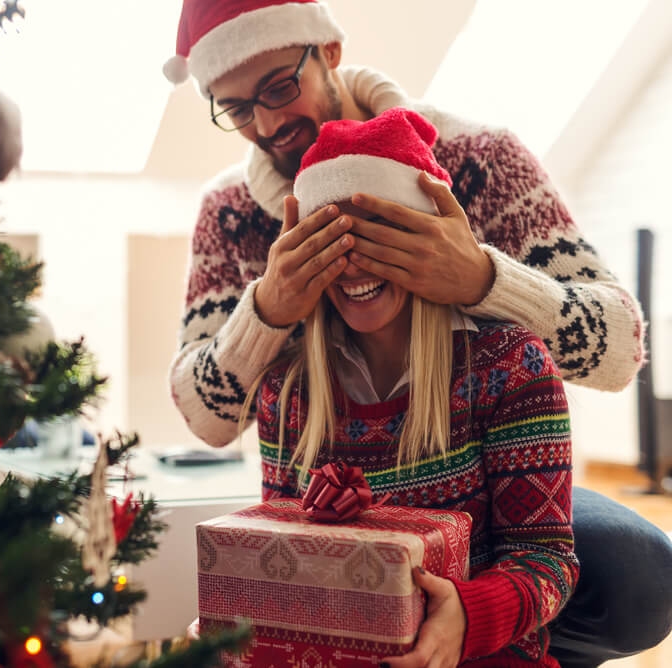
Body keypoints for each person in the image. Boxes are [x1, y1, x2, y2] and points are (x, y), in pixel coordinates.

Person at [162, 1, 672, 666]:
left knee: (634, 571)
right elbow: (206, 420)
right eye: (233, 109)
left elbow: (621, 345)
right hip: (335, 474)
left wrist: (485, 281)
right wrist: (268, 309)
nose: (265, 125)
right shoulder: (229, 214)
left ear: (331, 53)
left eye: (280, 87)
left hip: (480, 470)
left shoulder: (481, 157)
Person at [250, 106, 578, 667]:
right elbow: (287, 556)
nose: (353, 267)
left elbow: (546, 561)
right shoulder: (288, 390)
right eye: (330, 240)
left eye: (378, 236)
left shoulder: (510, 367)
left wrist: (467, 617)